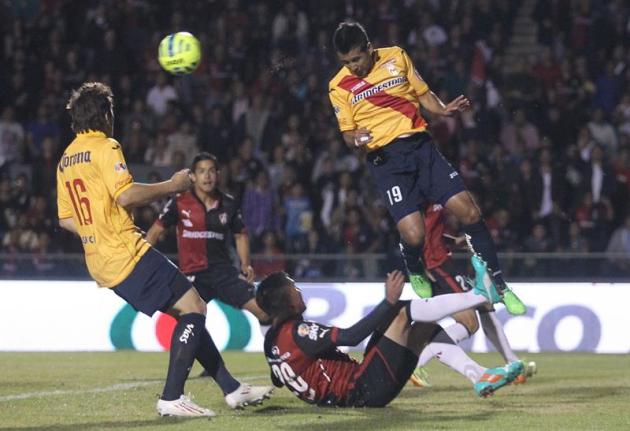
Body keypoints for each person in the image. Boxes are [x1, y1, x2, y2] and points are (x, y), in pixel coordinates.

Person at [57, 82, 270, 418]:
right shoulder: (105, 146)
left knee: (188, 312)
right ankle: (172, 397)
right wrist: (172, 185)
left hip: (100, 260)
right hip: (125, 252)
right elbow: (125, 195)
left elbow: (66, 218)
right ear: (105, 114)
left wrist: (99, 228)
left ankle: (232, 388)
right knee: (195, 308)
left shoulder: (66, 160)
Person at [328, 21, 525, 315]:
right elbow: (346, 133)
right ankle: (413, 264)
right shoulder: (337, 86)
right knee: (415, 236)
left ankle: (498, 283)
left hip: (421, 148)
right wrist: (353, 137)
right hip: (386, 161)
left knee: (469, 211)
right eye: (345, 62)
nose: (353, 66)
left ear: (369, 48)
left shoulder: (396, 56)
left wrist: (441, 108)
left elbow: (422, 93)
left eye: (356, 58)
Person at [257, 267, 523, 407]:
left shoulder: (272, 344)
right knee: (399, 311)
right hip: (364, 389)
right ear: (286, 301)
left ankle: (478, 375)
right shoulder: (299, 332)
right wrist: (387, 301)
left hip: (358, 391)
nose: (299, 290)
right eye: (293, 288)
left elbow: (278, 380)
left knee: (423, 328)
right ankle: (479, 295)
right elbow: (351, 336)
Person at [410, 203, 536, 387]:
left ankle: (512, 361)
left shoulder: (432, 194)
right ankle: (417, 364)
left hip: (445, 263)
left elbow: (432, 234)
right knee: (469, 323)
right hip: (436, 267)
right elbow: (411, 233)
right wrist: (418, 267)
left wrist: (453, 241)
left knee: (485, 302)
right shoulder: (418, 198)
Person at [146, 152, 270, 326]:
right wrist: (144, 266)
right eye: (202, 171)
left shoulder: (228, 204)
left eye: (211, 171)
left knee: (264, 312)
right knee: (186, 322)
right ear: (193, 177)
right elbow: (153, 233)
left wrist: (245, 264)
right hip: (191, 276)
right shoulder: (179, 203)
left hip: (223, 273)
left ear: (218, 175)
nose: (207, 176)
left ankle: (276, 352)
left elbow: (240, 235)